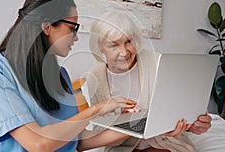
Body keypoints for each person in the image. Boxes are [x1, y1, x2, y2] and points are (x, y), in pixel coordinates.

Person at [0, 0, 140, 152]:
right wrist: (96, 110)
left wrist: (137, 125)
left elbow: (78, 141)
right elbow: (38, 144)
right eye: (72, 28)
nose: (75, 37)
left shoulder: (60, 76)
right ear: (47, 27)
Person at [85, 10, 212, 152]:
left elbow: (181, 105)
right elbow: (99, 132)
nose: (124, 52)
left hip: (163, 142)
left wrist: (194, 122)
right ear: (100, 47)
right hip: (122, 148)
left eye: (128, 41)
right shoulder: (94, 78)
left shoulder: (158, 62)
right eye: (113, 45)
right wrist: (123, 123)